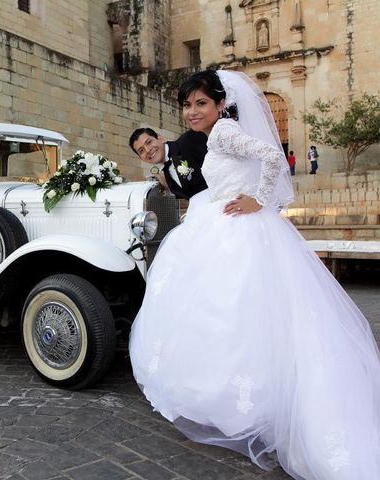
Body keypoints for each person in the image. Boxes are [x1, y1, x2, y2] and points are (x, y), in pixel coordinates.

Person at [129, 69, 380, 480]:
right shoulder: (216, 135)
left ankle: (248, 400)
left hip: (239, 226)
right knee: (230, 313)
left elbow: (272, 156)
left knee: (235, 309)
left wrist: (258, 200)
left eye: (201, 103)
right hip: (221, 222)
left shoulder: (225, 131)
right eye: (187, 106)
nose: (192, 112)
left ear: (220, 104)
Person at [129, 127, 208, 202]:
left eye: (149, 142)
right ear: (141, 158)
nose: (148, 150)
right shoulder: (166, 176)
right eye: (141, 150)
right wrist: (168, 188)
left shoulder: (189, 139)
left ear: (161, 139)